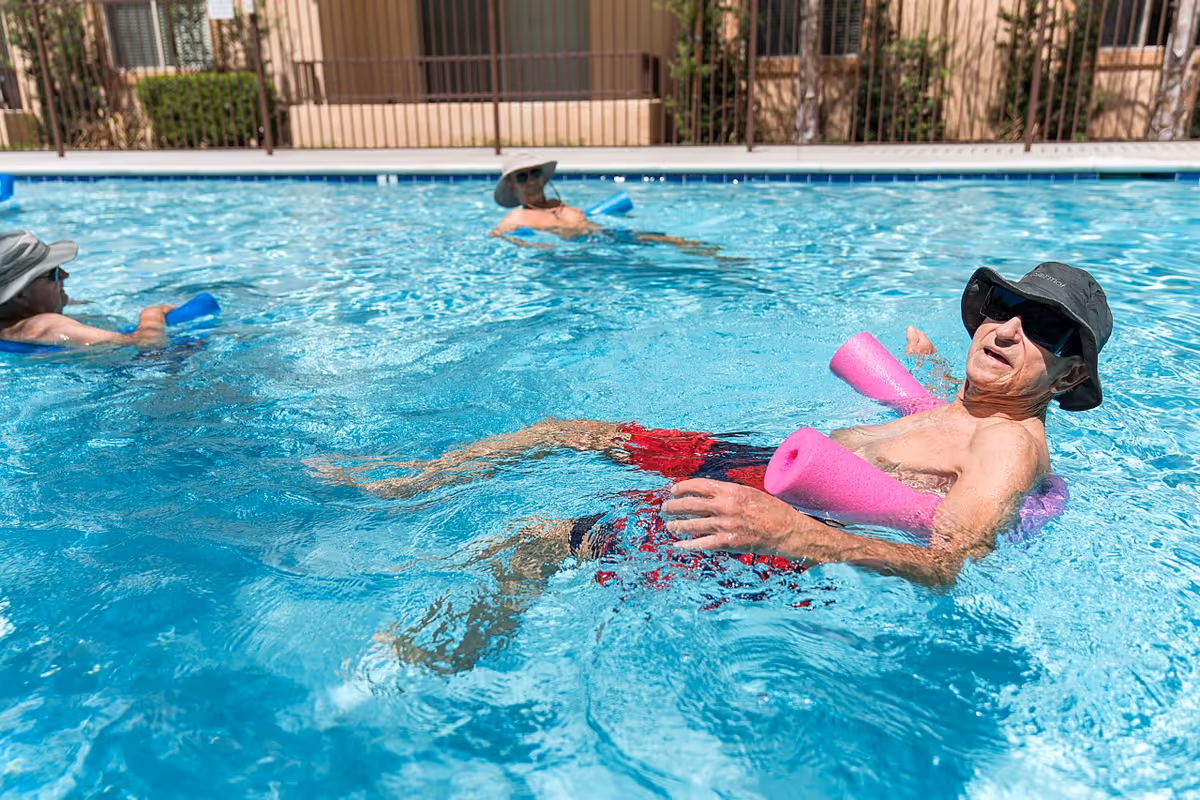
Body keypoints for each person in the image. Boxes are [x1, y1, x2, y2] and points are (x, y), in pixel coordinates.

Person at [314, 262, 1113, 671]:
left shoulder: (1009, 445)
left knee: (539, 540)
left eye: (1040, 326)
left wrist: (793, 534)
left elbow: (948, 563)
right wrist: (930, 372)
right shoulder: (971, 406)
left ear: (1071, 375)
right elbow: (938, 426)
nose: (1007, 328)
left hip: (791, 515)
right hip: (765, 464)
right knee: (568, 431)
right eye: (1003, 308)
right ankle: (411, 480)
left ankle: (433, 661)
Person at [488, 152, 724, 256]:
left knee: (665, 239)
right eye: (522, 176)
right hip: (584, 253)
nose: (530, 180)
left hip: (609, 236)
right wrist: (530, 246)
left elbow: (592, 221)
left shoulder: (558, 203)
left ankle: (712, 254)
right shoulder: (515, 219)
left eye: (535, 173)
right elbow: (497, 238)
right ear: (511, 185)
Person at [0, 230, 174, 347]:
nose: (64, 275)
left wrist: (64, 300)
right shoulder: (46, 325)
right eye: (53, 273)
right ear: (20, 295)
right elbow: (147, 346)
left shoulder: (9, 322)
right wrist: (151, 316)